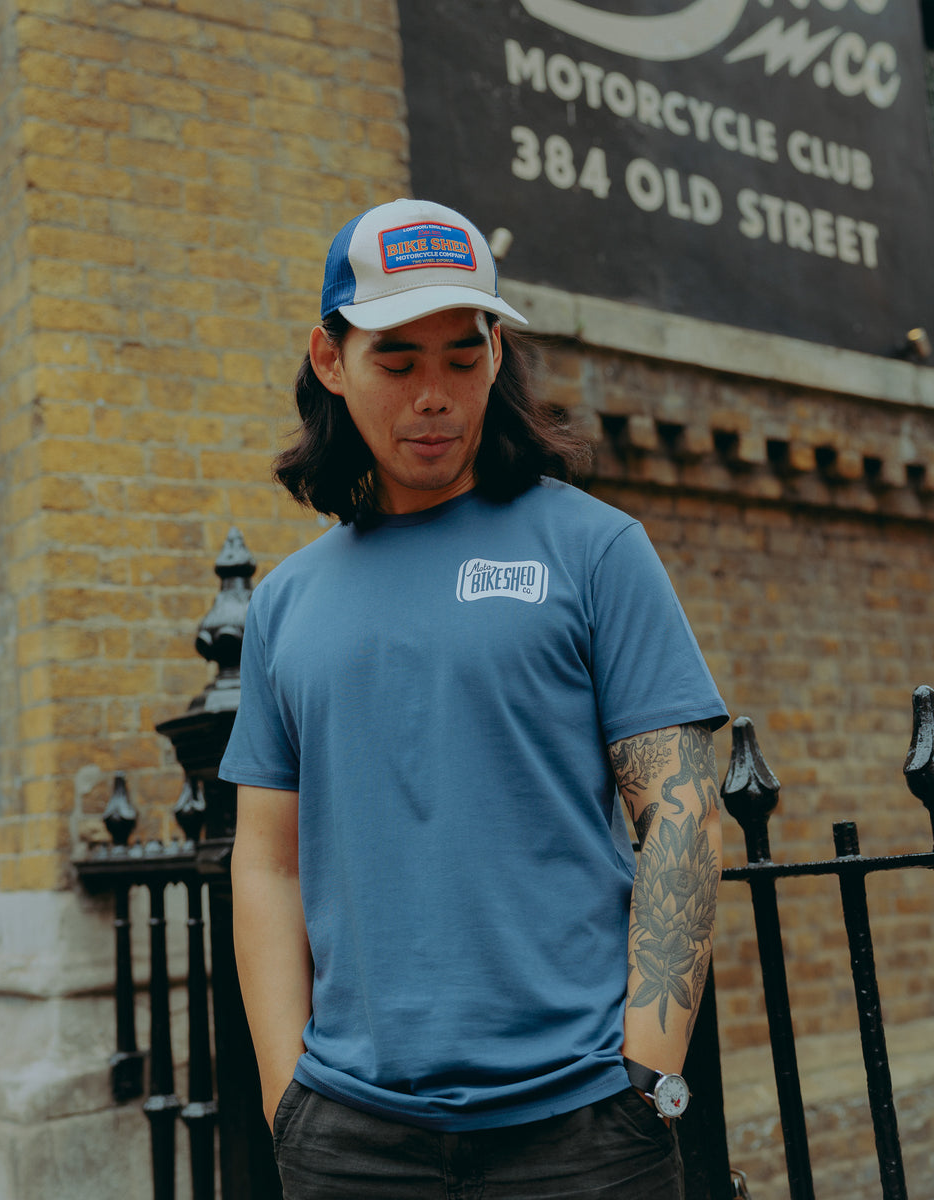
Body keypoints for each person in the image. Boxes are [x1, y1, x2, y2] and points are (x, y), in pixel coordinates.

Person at [219, 197, 728, 1199]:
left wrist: (648, 1069)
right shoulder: (284, 603)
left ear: (498, 354)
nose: (436, 395)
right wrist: (290, 1099)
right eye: (397, 362)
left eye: (463, 355)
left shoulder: (594, 550)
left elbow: (684, 818)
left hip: (584, 1128)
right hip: (352, 1139)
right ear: (330, 360)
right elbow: (267, 864)